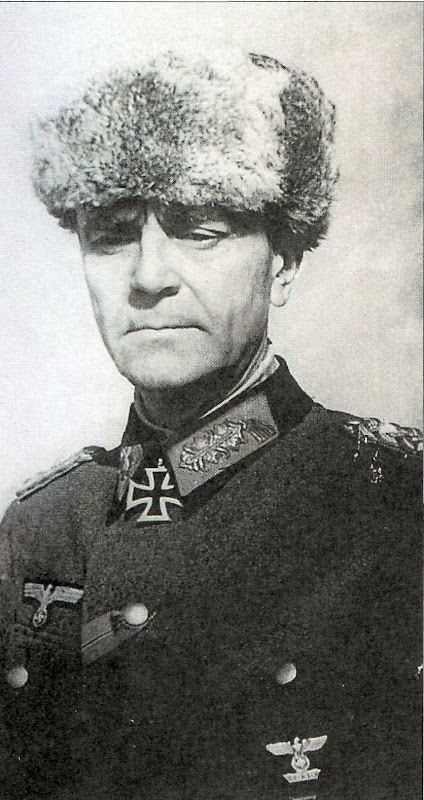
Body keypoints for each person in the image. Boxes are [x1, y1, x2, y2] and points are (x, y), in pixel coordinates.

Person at [0, 46, 421, 800]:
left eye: (201, 230)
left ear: (284, 261)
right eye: (113, 233)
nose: (148, 277)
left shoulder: (394, 499)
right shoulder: (43, 528)